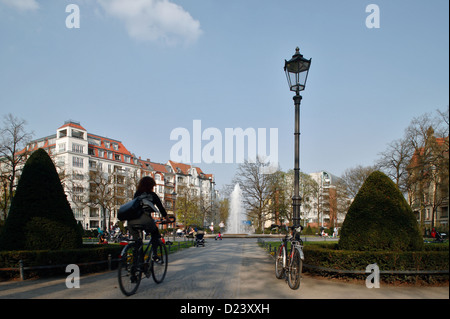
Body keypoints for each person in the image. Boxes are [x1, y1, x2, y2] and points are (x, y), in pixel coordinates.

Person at [127, 176, 170, 257]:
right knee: (155, 233)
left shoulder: (137, 194)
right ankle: (154, 254)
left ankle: (137, 264)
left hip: (131, 221)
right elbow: (161, 208)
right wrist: (167, 219)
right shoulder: (153, 195)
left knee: (137, 242)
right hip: (145, 220)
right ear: (151, 186)